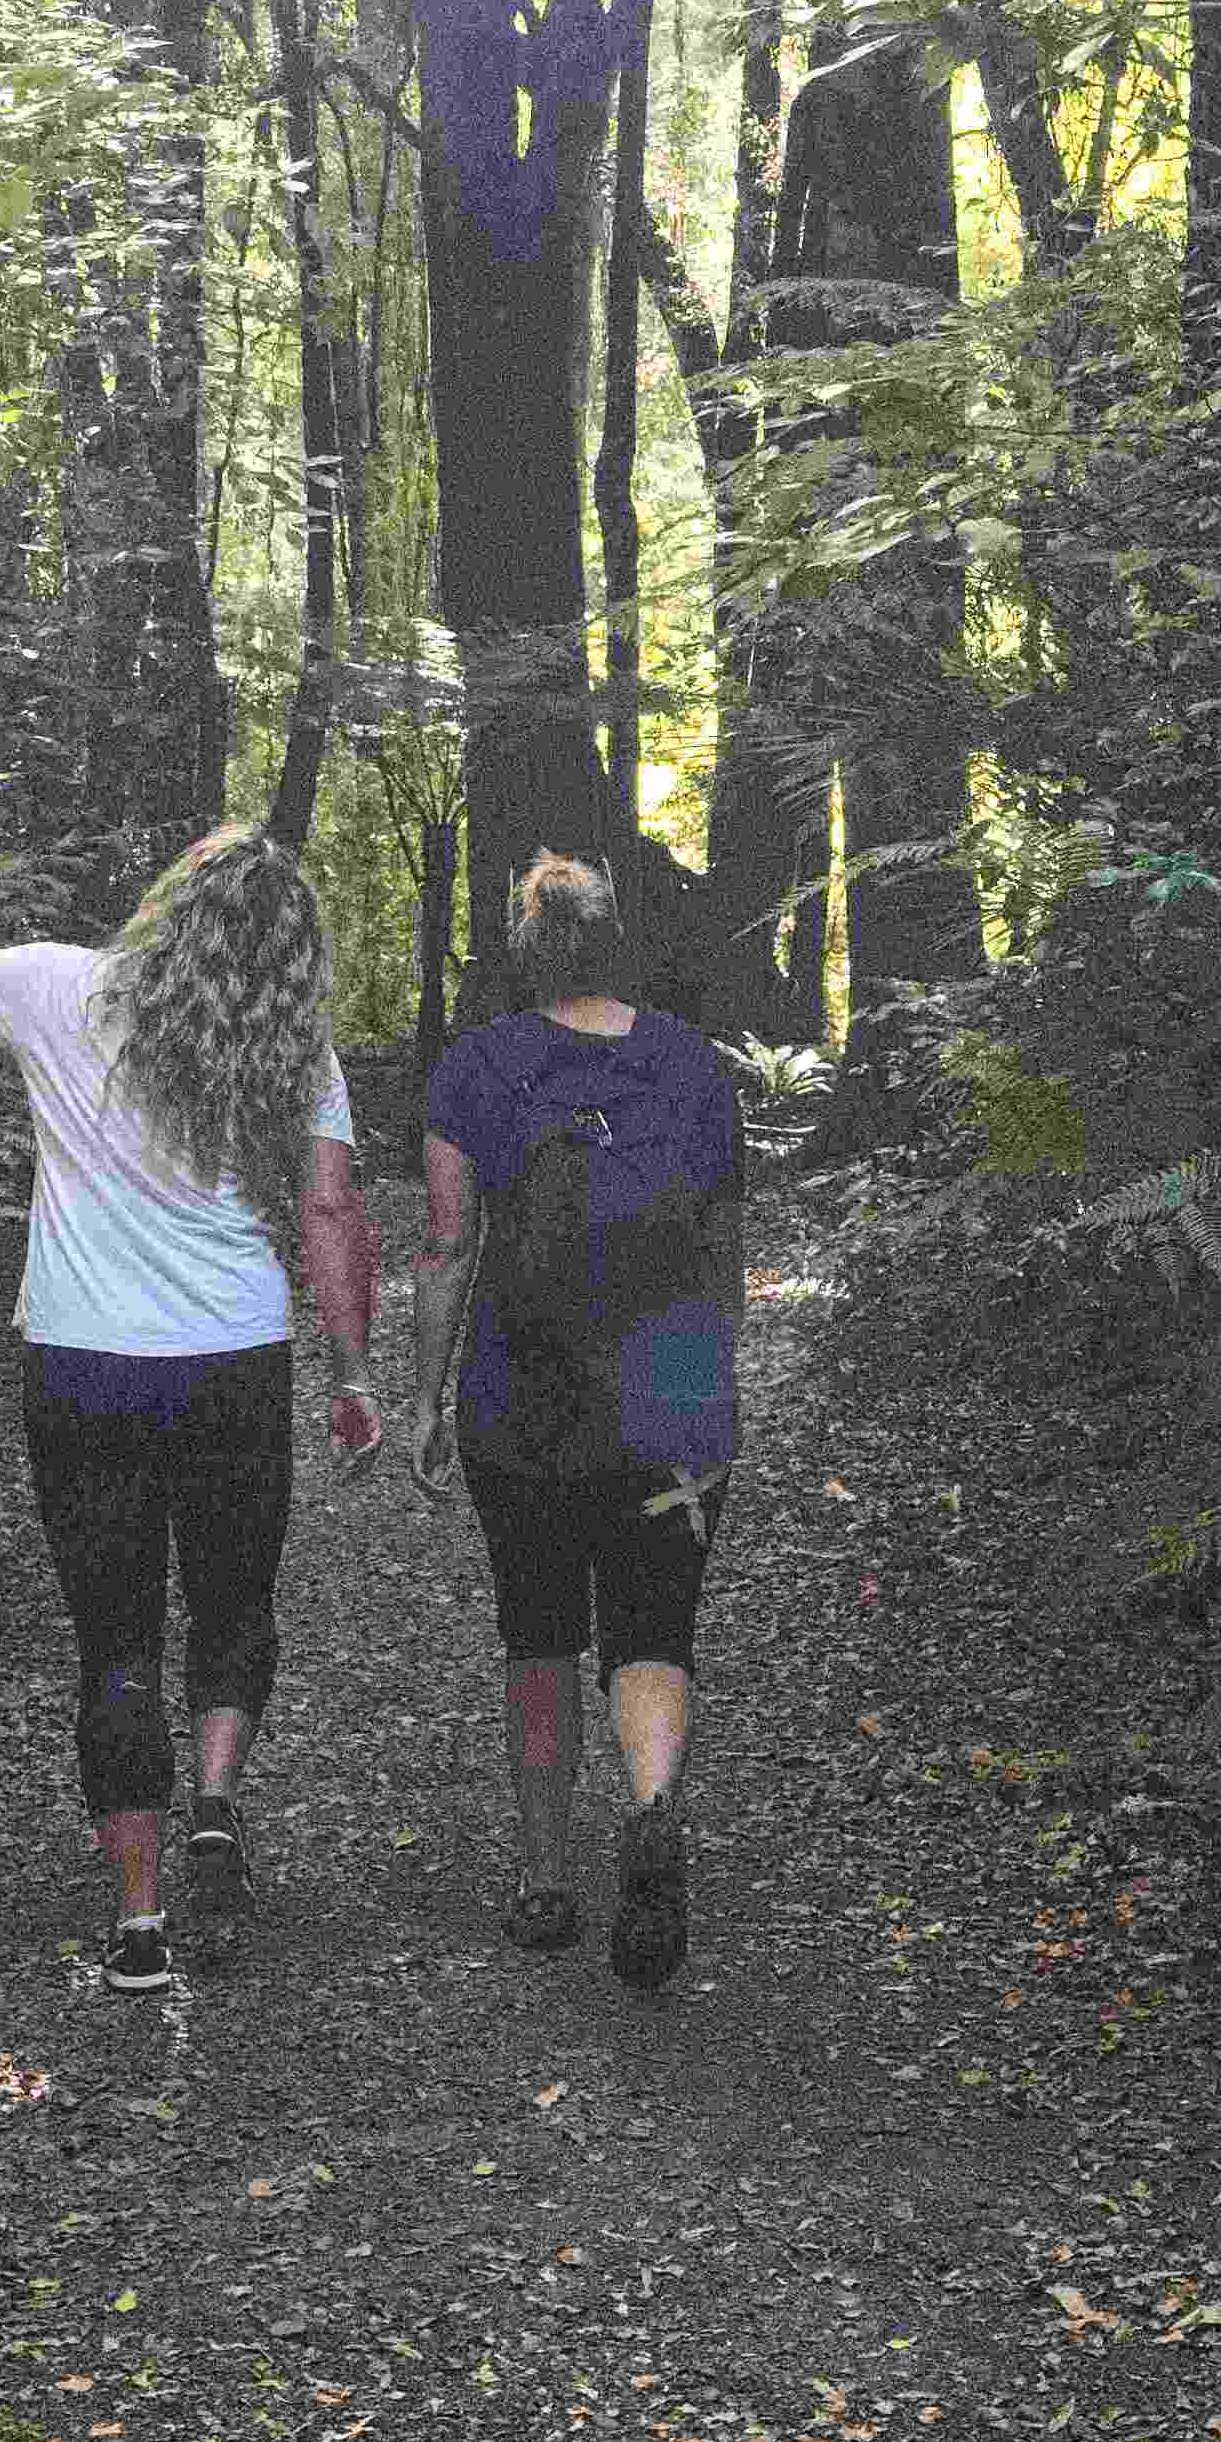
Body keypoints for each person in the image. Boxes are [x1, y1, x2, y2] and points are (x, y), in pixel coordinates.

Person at [0, 828, 370, 1998]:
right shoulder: (293, 1042)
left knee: (115, 1641)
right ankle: (214, 1801)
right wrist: (355, 1373)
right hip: (235, 1360)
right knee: (232, 1601)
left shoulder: (58, 983)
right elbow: (326, 1208)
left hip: (84, 1364)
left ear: (169, 900)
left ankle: (139, 1919)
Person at [422, 849, 745, 1988]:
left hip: (528, 1389)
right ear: (615, 938)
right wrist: (720, 1371)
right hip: (676, 1383)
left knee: (540, 1629)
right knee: (654, 1628)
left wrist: (421, 1393)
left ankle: (547, 1874)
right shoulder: (690, 1064)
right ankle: (652, 1804)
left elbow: (451, 1242)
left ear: (524, 946)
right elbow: (721, 1242)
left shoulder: (480, 1067)